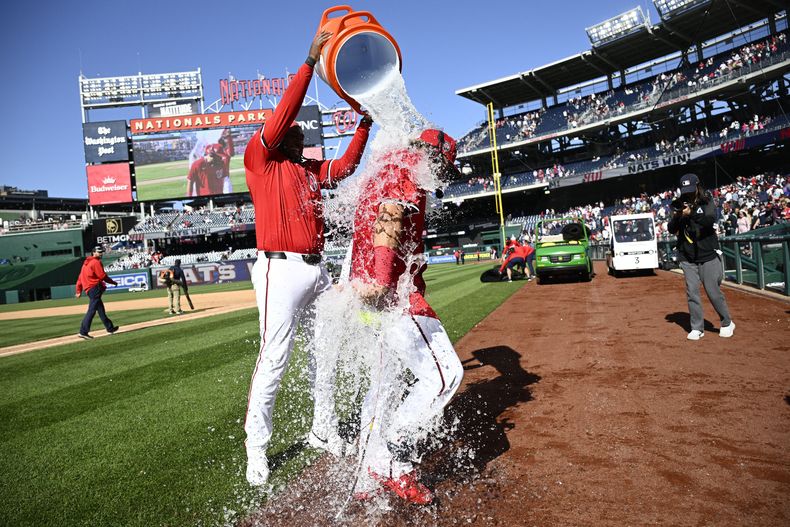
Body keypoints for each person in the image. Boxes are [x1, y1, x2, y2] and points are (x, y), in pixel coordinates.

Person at [241, 30, 372, 486]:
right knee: (274, 357)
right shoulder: (260, 158)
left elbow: (347, 167)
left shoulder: (308, 169)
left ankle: (323, 428)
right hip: (278, 266)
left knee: (326, 352)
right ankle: (256, 448)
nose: (298, 133)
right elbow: (282, 117)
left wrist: (364, 125)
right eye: (292, 131)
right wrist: (309, 64)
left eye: (300, 134)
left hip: (316, 270)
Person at [347, 129, 464, 504]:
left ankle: (368, 471)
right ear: (433, 157)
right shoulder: (407, 174)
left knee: (383, 388)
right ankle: (394, 458)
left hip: (370, 299)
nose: (442, 178)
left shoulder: (385, 168)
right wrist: (382, 280)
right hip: (395, 297)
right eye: (444, 168)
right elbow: (390, 214)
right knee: (445, 375)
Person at [668, 173, 735, 340]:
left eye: (691, 189)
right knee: (692, 292)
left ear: (697, 186)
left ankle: (727, 322)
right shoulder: (679, 204)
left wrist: (692, 213)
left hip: (707, 252)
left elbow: (710, 219)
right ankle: (697, 327)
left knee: (712, 290)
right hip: (687, 255)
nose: (688, 193)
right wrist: (678, 216)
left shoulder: (706, 200)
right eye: (685, 190)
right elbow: (671, 229)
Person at [75, 246, 119, 339]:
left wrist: (78, 290)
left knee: (100, 309)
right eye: (99, 252)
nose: (101, 253)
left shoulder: (85, 264)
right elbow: (102, 276)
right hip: (95, 288)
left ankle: (110, 328)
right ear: (93, 252)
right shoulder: (96, 262)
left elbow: (80, 279)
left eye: (101, 252)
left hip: (89, 290)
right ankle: (83, 331)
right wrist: (113, 282)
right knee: (91, 310)